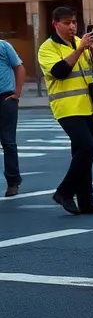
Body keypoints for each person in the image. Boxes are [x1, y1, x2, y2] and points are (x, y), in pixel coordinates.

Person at [37, 7, 93, 215]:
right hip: (67, 108)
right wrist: (80, 49)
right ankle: (64, 192)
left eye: (74, 22)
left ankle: (86, 201)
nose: (72, 26)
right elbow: (59, 72)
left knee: (83, 153)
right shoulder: (48, 48)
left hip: (88, 106)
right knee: (87, 148)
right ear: (55, 24)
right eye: (66, 23)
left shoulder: (81, 42)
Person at [0, 35, 25, 197]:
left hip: (5, 98)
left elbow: (19, 67)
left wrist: (17, 93)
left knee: (8, 141)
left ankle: (13, 182)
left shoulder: (3, 46)